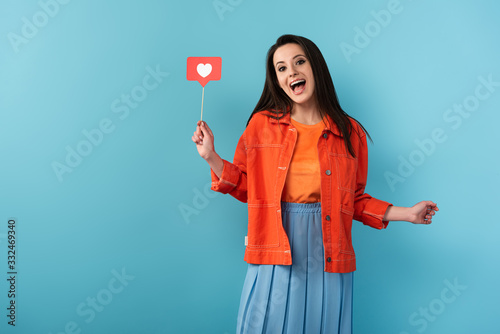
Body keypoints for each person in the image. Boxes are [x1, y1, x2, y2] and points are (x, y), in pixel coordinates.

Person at [191, 34, 439, 334]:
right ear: (277, 80)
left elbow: (355, 201)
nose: (291, 72)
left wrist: (408, 214)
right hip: (275, 241)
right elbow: (245, 186)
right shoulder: (261, 125)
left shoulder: (351, 133)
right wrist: (210, 156)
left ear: (315, 67)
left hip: (329, 247)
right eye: (281, 68)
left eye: (299, 62)